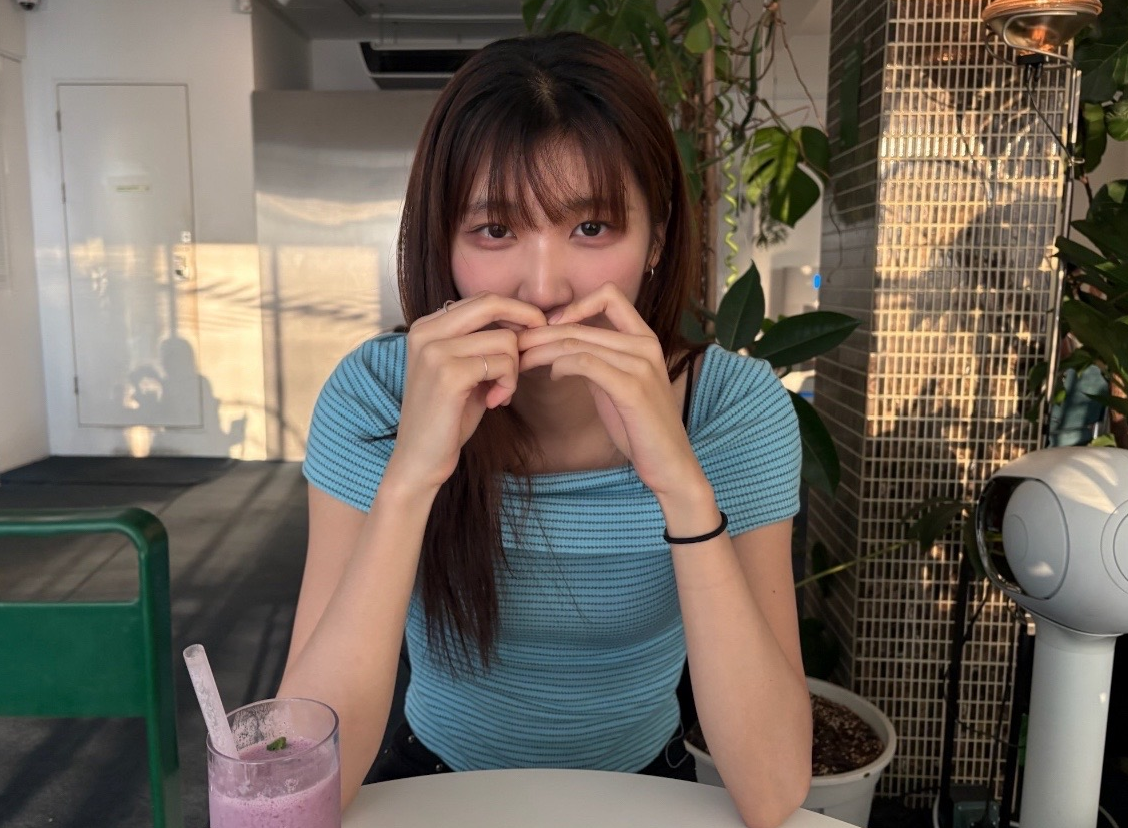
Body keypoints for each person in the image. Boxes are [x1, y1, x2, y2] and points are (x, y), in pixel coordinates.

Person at [279, 31, 812, 828]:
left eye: (591, 228)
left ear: (658, 238)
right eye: (495, 231)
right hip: (433, 782)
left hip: (647, 787)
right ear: (443, 245)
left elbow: (772, 790)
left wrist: (678, 481)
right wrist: (413, 475)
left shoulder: (734, 410)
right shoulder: (376, 396)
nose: (544, 286)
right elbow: (297, 776)